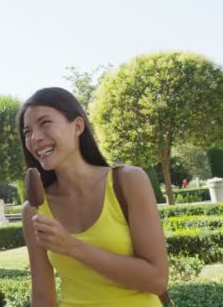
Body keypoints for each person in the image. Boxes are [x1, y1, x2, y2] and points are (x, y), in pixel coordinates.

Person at [17, 87, 168, 307]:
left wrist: (72, 247)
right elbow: (42, 298)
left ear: (77, 126)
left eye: (45, 123)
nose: (35, 138)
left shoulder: (128, 181)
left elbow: (157, 280)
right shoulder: (34, 210)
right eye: (27, 131)